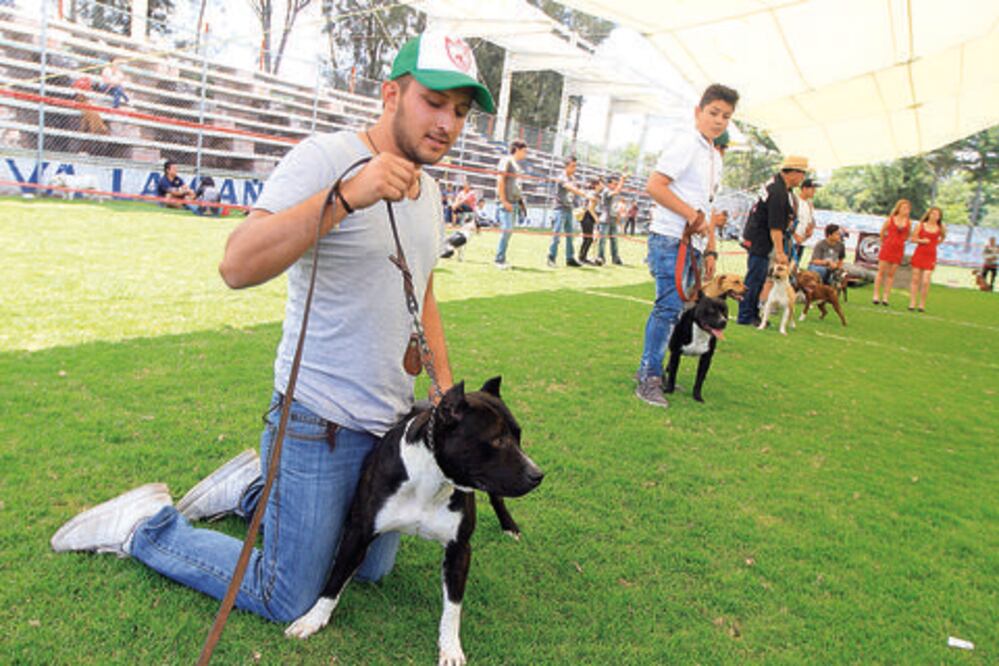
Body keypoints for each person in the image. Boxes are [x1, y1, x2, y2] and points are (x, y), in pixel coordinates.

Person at [50, 31, 494, 627]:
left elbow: (425, 289)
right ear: (391, 94)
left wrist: (443, 387)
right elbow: (236, 264)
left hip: (389, 417)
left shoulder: (432, 189)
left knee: (370, 566)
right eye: (434, 102)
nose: (447, 122)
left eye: (460, 112)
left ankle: (249, 492)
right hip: (318, 417)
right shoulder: (325, 159)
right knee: (289, 594)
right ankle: (143, 527)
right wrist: (346, 196)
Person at [635, 83, 739, 407]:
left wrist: (710, 247)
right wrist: (691, 216)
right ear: (698, 112)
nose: (719, 120)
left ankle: (655, 372)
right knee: (667, 309)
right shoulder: (686, 144)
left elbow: (707, 206)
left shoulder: (712, 155)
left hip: (691, 243)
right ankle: (649, 378)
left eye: (726, 115)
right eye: (713, 113)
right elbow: (655, 185)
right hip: (669, 238)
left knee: (676, 309)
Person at [736, 155, 808, 325]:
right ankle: (746, 315)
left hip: (758, 237)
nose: (802, 179)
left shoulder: (777, 186)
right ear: (793, 173)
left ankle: (751, 312)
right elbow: (775, 226)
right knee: (755, 278)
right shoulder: (778, 192)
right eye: (802, 174)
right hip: (761, 240)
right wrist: (780, 252)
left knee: (758, 278)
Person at [546, 156, 586, 268]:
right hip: (559, 209)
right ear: (566, 166)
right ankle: (551, 258)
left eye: (575, 166)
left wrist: (578, 206)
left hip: (569, 209)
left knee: (570, 236)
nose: (575, 168)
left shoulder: (573, 178)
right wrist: (583, 193)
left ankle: (570, 258)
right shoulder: (561, 177)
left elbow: (573, 194)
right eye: (573, 166)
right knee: (556, 235)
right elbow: (570, 188)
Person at [494, 140, 527, 269]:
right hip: (506, 202)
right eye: (524, 151)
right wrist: (504, 201)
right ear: (517, 149)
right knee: (506, 229)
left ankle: (502, 258)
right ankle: (499, 260)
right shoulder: (506, 161)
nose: (526, 154)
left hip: (514, 202)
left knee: (509, 231)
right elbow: (500, 180)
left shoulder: (517, 165)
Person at [872, 198, 912, 306]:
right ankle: (876, 295)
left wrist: (903, 240)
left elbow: (908, 235)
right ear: (898, 208)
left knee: (891, 273)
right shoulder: (890, 219)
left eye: (907, 208)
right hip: (888, 247)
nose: (906, 210)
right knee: (881, 271)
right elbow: (882, 231)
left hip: (898, 249)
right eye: (904, 208)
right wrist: (884, 241)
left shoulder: (908, 222)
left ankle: (886, 297)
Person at [908, 207, 945, 312]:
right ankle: (912, 302)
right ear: (929, 214)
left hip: (931, 256)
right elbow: (913, 239)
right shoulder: (920, 225)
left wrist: (935, 243)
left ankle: (922, 304)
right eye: (933, 214)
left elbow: (942, 237)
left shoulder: (940, 227)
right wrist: (922, 241)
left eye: (937, 215)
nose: (935, 216)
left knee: (926, 280)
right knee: (915, 279)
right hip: (919, 253)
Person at [597, 172, 628, 265]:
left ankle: (615, 258)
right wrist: (622, 179)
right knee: (602, 240)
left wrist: (618, 217)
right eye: (614, 183)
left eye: (616, 183)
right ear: (609, 183)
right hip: (605, 219)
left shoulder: (611, 192)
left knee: (614, 240)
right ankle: (600, 257)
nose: (616, 185)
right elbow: (617, 191)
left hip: (612, 218)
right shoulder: (606, 191)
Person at [791, 178, 819, 267]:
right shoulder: (795, 200)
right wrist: (795, 236)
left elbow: (810, 221)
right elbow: (789, 221)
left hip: (802, 240)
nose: (814, 191)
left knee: (795, 266)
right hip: (791, 240)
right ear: (804, 189)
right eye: (812, 189)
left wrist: (810, 230)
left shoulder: (809, 204)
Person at [578, 177, 602, 265]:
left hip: (586, 217)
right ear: (596, 185)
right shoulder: (593, 193)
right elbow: (590, 208)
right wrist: (596, 218)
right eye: (600, 184)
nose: (602, 185)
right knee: (588, 239)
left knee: (587, 238)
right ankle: (582, 258)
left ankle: (582, 257)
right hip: (587, 217)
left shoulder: (591, 193)